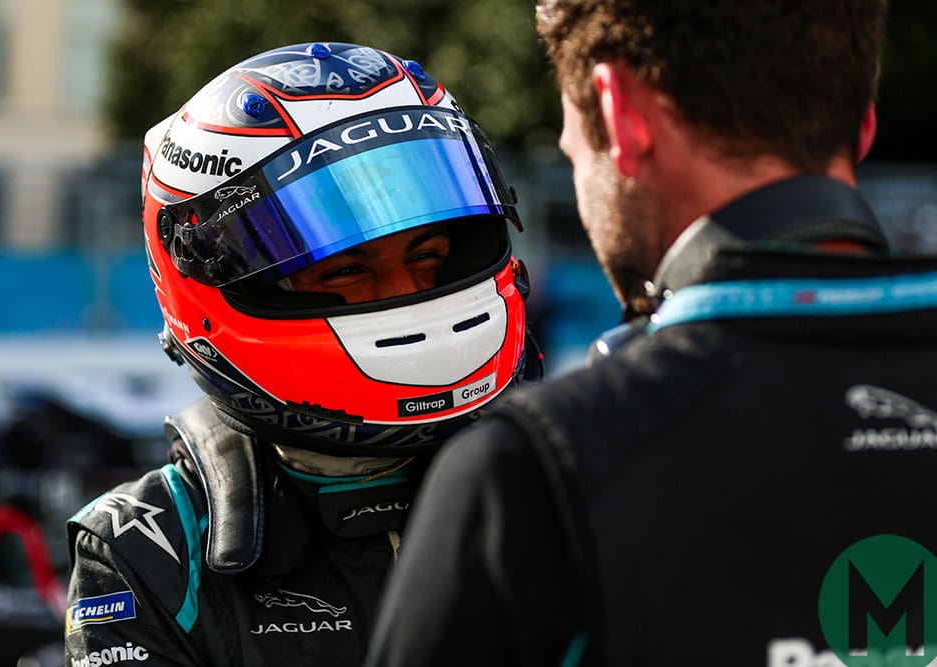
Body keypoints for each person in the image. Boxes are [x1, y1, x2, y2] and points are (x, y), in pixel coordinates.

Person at [366, 2, 937, 665]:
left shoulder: (531, 475)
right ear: (863, 122)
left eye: (572, 145)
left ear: (620, 115)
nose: (575, 172)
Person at [62, 42, 539, 667]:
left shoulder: (565, 485)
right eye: (345, 270)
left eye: (427, 257)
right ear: (213, 285)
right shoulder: (149, 548)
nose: (405, 295)